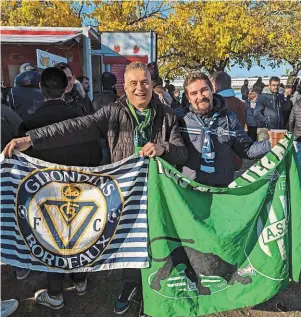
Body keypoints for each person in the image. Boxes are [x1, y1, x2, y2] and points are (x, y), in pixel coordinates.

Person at [3, 61, 188, 315]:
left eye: (144, 81)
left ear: (151, 82)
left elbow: (182, 154)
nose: (139, 88)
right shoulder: (113, 112)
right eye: (133, 83)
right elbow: (76, 127)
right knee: (128, 243)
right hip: (128, 195)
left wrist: (163, 149)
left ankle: (157, 291)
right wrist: (32, 139)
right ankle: (129, 286)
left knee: (159, 243)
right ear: (125, 86)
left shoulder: (168, 115)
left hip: (161, 195)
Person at [20, 67, 102, 309]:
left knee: (51, 240)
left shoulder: (29, 124)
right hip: (79, 192)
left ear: (40, 89)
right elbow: (96, 157)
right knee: (77, 236)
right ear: (66, 87)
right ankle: (80, 279)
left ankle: (55, 293)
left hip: (43, 196)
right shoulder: (81, 121)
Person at [177, 72, 271, 187]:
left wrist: (272, 143)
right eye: (194, 93)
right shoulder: (180, 119)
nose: (200, 97)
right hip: (188, 189)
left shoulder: (230, 119)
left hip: (221, 190)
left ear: (212, 89)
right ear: (188, 97)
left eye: (204, 90)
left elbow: (247, 149)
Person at [211, 71, 246, 171]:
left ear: (215, 86)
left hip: (218, 156)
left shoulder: (215, 104)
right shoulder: (240, 104)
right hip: (237, 154)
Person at [289, 99, 301, 166]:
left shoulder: (296, 104)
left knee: (298, 154)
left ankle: (298, 173)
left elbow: (291, 120)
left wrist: (291, 132)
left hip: (297, 135)